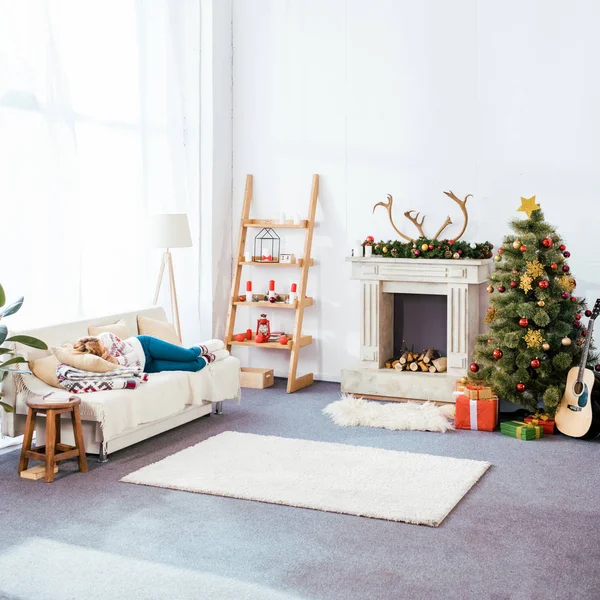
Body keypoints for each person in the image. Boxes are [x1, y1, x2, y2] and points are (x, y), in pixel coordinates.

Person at [72, 332, 228, 374]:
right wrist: (111, 362)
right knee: (193, 366)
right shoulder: (98, 362)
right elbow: (133, 370)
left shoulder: (107, 338)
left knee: (188, 355)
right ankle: (211, 358)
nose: (106, 350)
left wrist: (116, 361)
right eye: (103, 352)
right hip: (148, 366)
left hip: (145, 346)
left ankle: (208, 346)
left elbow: (133, 355)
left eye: (104, 347)